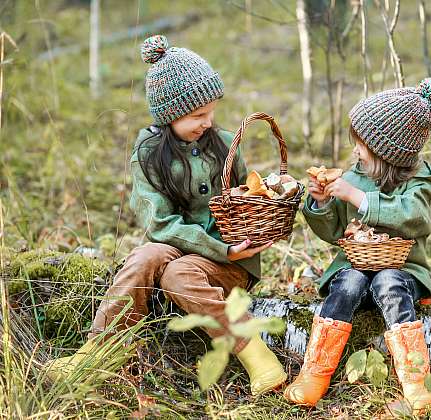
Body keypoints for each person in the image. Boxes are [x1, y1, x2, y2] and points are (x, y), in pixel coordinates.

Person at [47, 35, 287, 395]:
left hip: (231, 259)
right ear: (169, 116)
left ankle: (256, 353)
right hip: (178, 247)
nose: (208, 122)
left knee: (178, 273)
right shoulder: (148, 154)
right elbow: (158, 223)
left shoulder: (223, 145)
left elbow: (246, 198)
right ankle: (97, 350)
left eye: (211, 111)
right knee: (146, 254)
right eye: (196, 116)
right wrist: (212, 247)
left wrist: (239, 239)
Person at [284, 77, 431, 413]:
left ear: (387, 152)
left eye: (361, 144)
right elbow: (335, 233)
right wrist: (321, 204)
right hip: (354, 266)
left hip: (403, 270)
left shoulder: (418, 180)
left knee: (388, 281)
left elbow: (415, 216)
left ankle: (416, 380)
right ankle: (314, 371)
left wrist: (357, 197)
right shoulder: (353, 174)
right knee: (347, 282)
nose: (355, 150)